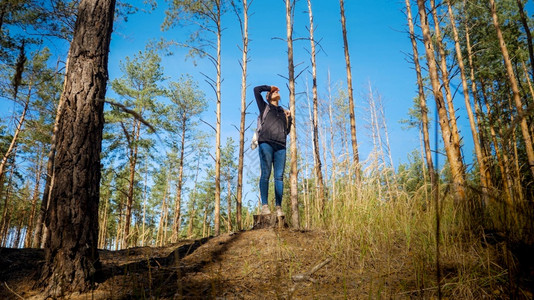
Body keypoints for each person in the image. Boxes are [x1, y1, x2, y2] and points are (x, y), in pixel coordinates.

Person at [253, 85, 292, 217]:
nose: (276, 92)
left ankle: (278, 207)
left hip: (281, 145)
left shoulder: (283, 111)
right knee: (266, 173)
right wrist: (269, 87)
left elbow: (287, 131)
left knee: (279, 177)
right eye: (273, 92)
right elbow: (256, 90)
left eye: (276, 91)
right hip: (266, 143)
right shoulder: (265, 107)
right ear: (268, 97)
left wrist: (289, 118)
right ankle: (265, 206)